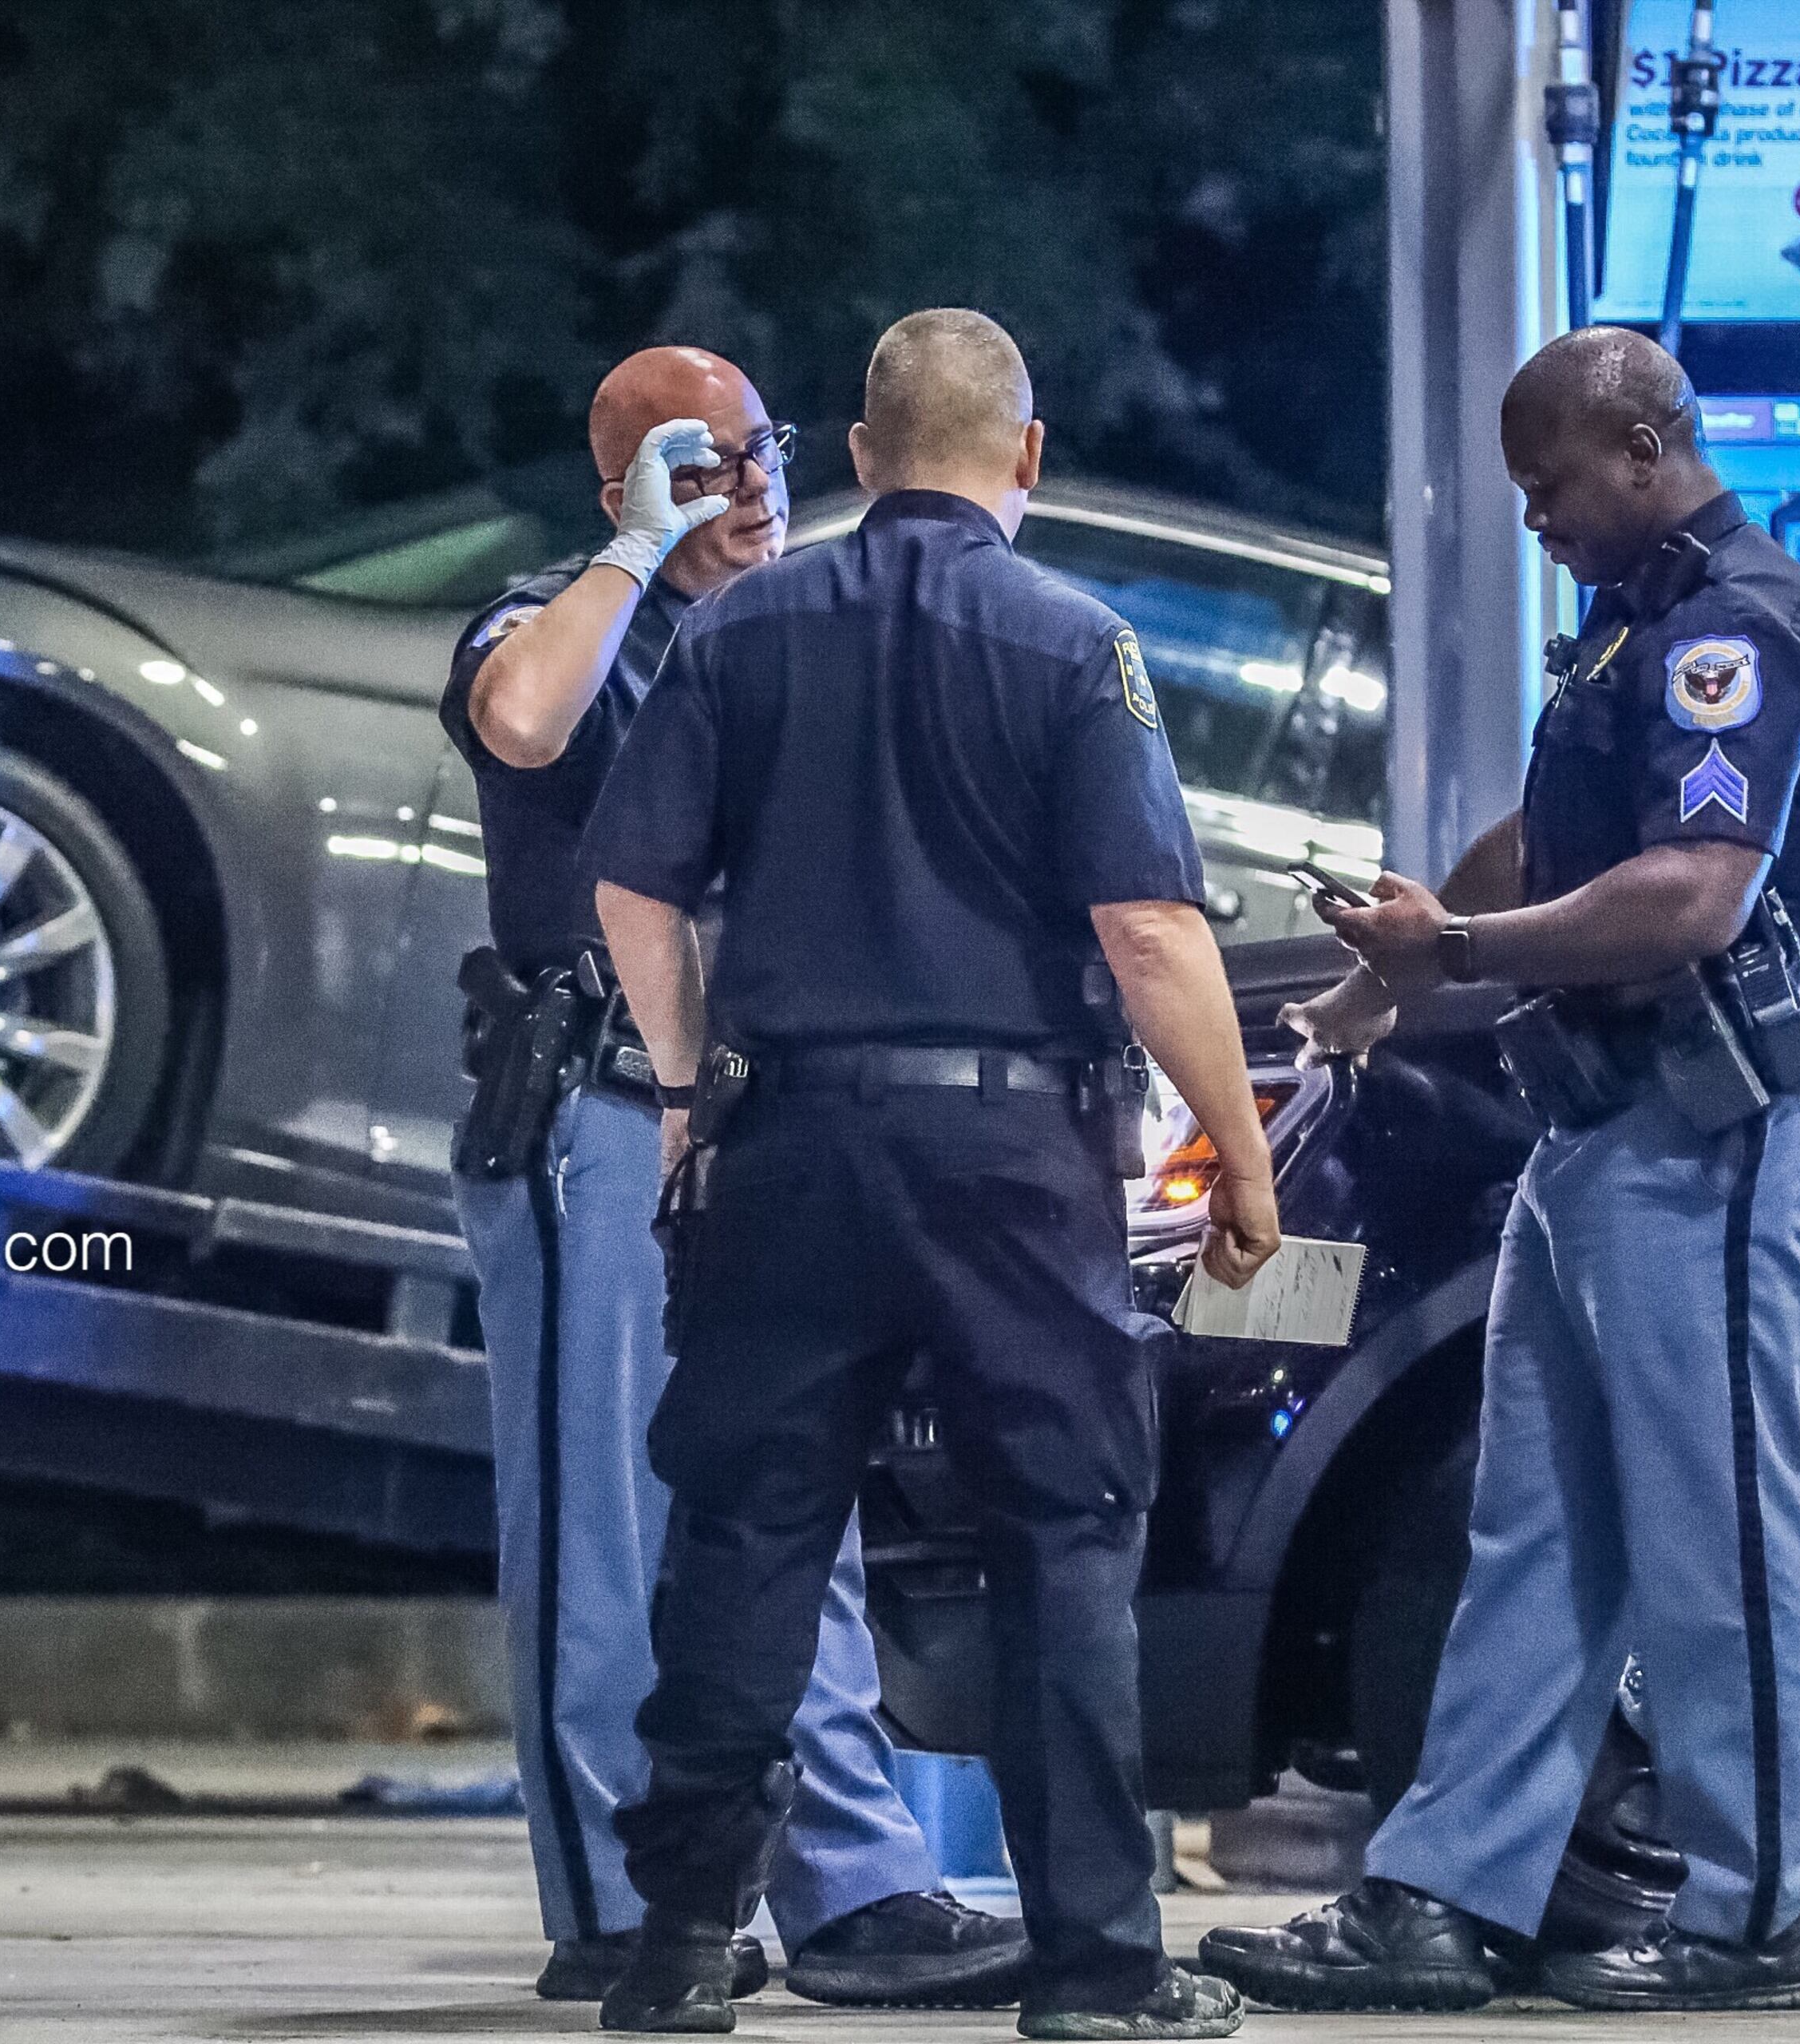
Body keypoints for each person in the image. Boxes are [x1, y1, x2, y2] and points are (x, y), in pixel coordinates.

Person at [582, 308, 1280, 2040]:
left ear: (863, 449)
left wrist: (685, 1087)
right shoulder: (1073, 640)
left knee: (746, 1534)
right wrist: (1248, 1158)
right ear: (1023, 456)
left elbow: (634, 891)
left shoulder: (738, 629)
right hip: (1010, 1156)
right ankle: (1101, 1973)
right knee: (1062, 1539)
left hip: (788, 1143)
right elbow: (1146, 926)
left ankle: (677, 1951)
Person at [1199, 327, 1800, 2016]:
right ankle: (1444, 1894)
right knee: (1538, 1532)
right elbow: (1549, 838)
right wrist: (1385, 979)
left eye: (1549, 484)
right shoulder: (1638, 622)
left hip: (1716, 1130)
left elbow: (1697, 892)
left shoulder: (1737, 623)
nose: (1535, 520)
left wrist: (1469, 942)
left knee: (1718, 1525)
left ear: (1644, 445)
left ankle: (1753, 1916)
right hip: (1607, 1132)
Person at [445, 344, 1030, 2011]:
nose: (750, 485)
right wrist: (634, 550)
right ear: (621, 478)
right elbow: (523, 718)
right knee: (609, 1522)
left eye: (762, 449)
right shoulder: (556, 616)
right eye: (699, 463)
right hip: (604, 1109)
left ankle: (847, 1883)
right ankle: (631, 1902)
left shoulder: (792, 629)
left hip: (773, 1113)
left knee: (796, 1514)